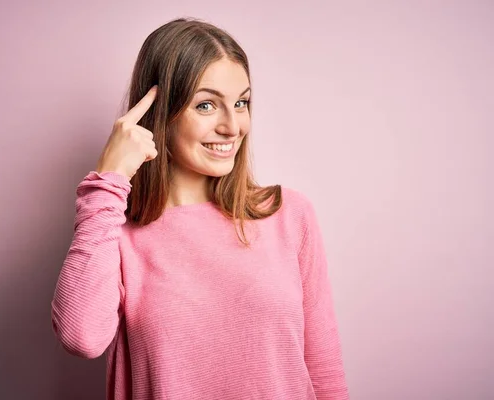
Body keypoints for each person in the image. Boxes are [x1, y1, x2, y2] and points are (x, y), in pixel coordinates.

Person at [51, 17, 349, 400]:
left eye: (240, 103)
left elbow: (323, 369)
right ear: (159, 113)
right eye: (206, 105)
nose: (232, 126)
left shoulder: (288, 214)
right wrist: (107, 181)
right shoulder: (115, 235)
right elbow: (81, 337)